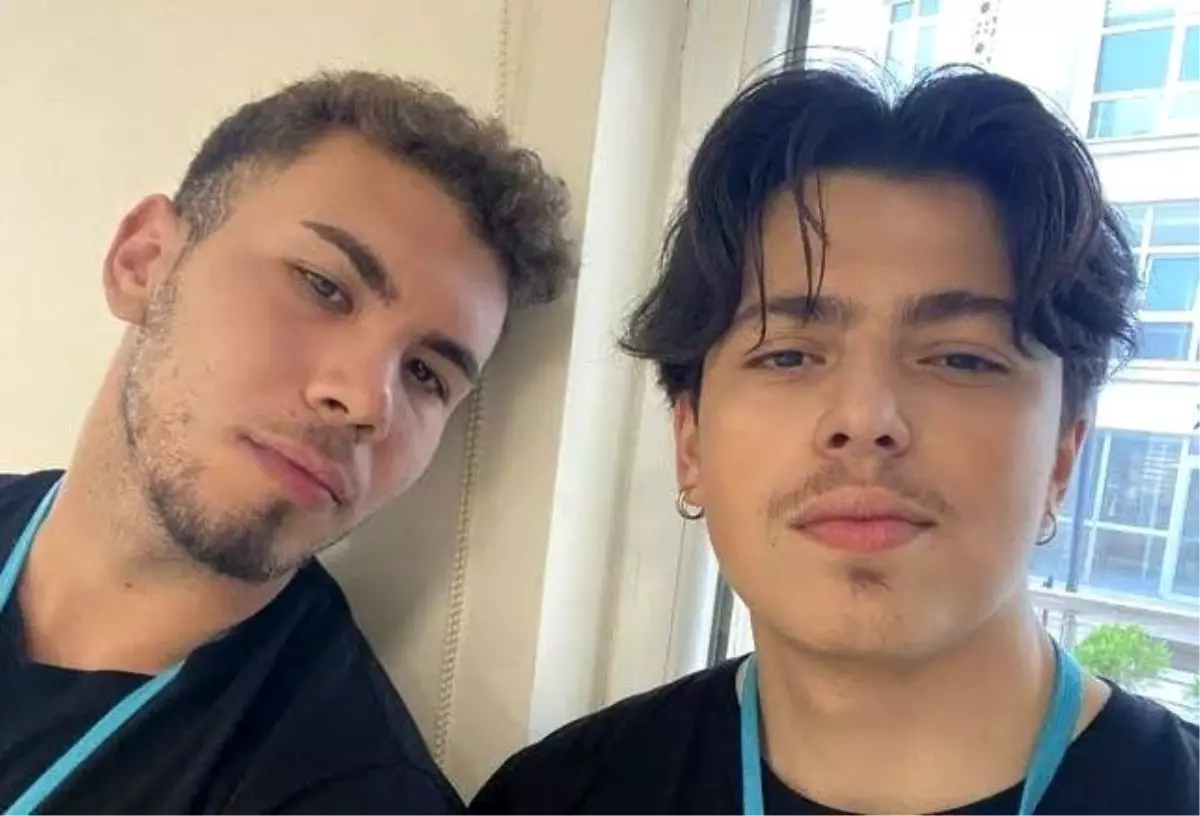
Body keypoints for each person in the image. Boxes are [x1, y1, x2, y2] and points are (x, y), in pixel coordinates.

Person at [469, 66, 1200, 815]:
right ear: (689, 442)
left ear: (1063, 455)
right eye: (787, 355)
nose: (865, 417)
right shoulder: (551, 800)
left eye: (961, 359)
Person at [0, 70, 572, 814]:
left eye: (426, 374)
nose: (365, 401)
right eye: (322, 285)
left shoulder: (352, 792)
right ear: (143, 262)